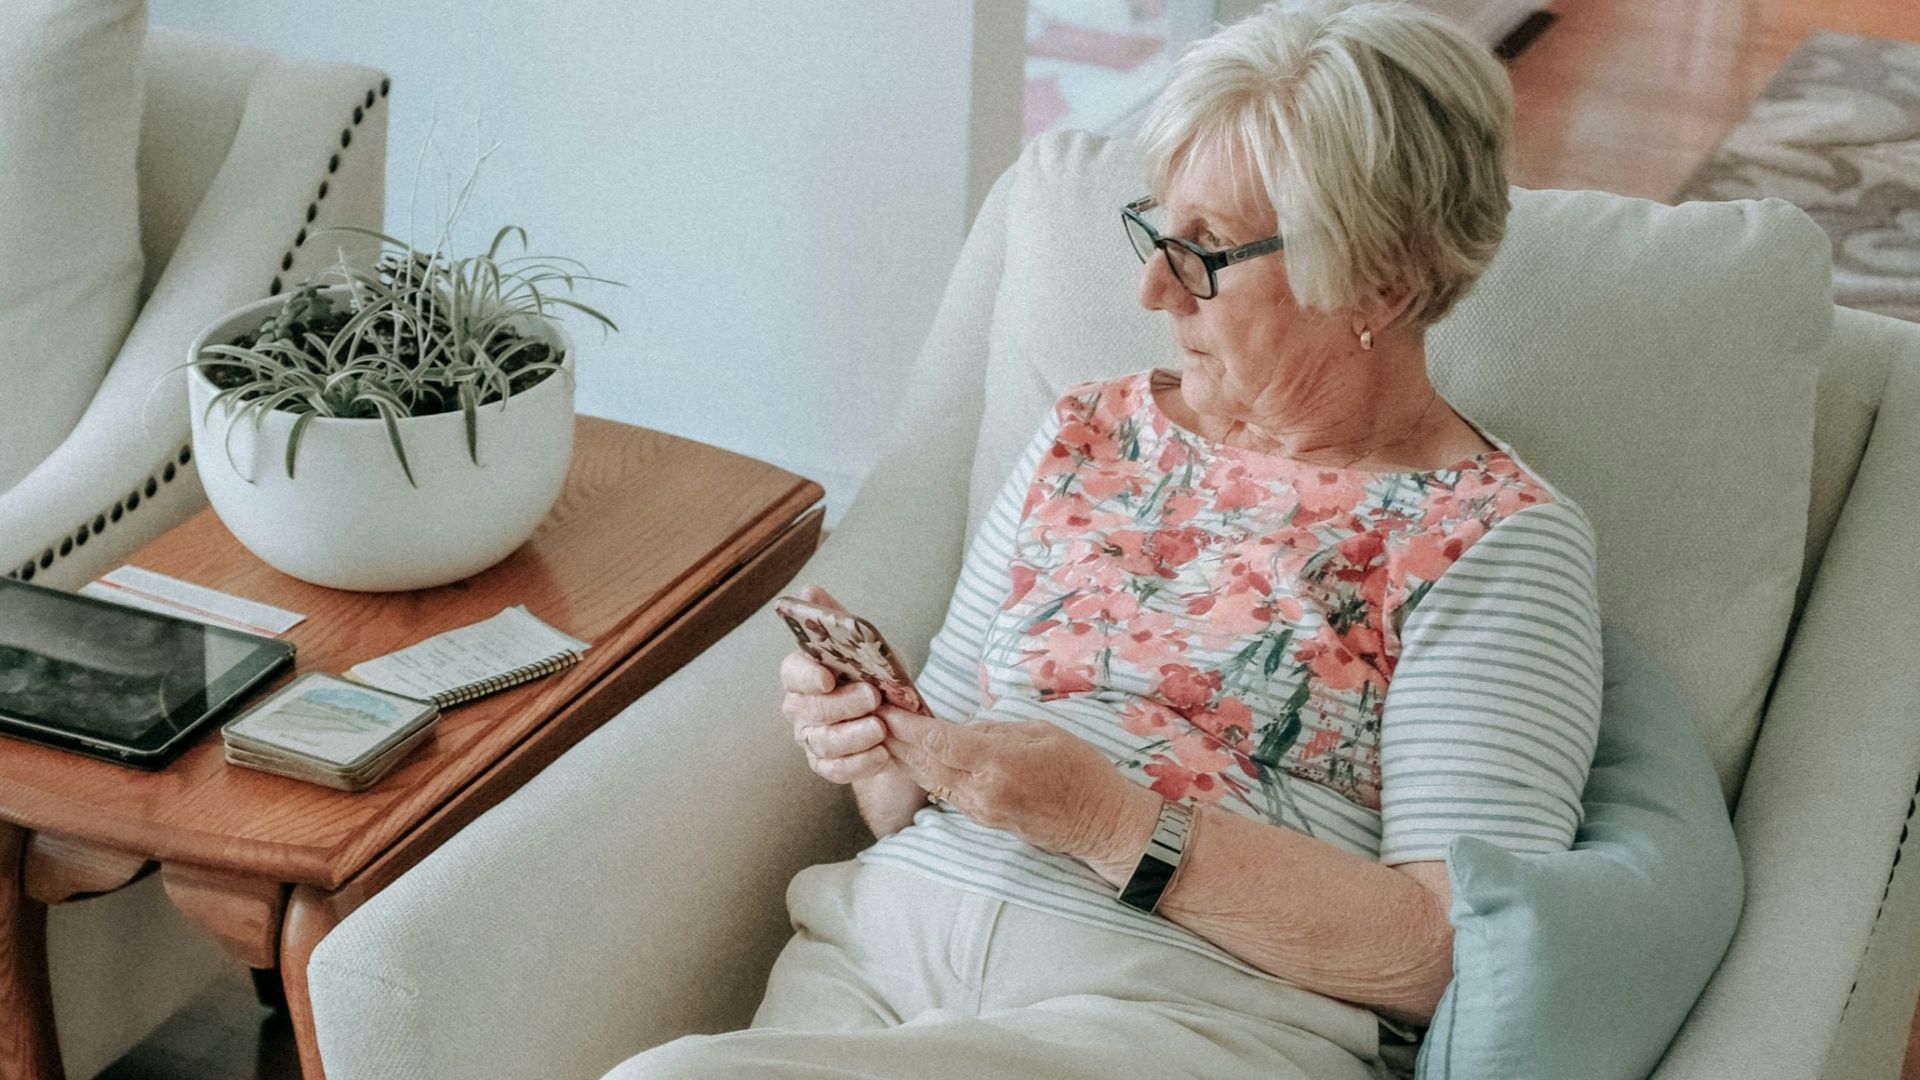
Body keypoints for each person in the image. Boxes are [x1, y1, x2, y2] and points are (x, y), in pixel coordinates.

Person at [608, 1, 1600, 1077]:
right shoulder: (1091, 431)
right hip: (875, 963)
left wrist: (1109, 821)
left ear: (1383, 278)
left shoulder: (1493, 540)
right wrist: (877, 738)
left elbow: (1449, 956)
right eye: (1160, 232)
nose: (1152, 289)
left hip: (1179, 1022)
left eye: (1207, 252)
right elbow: (908, 800)